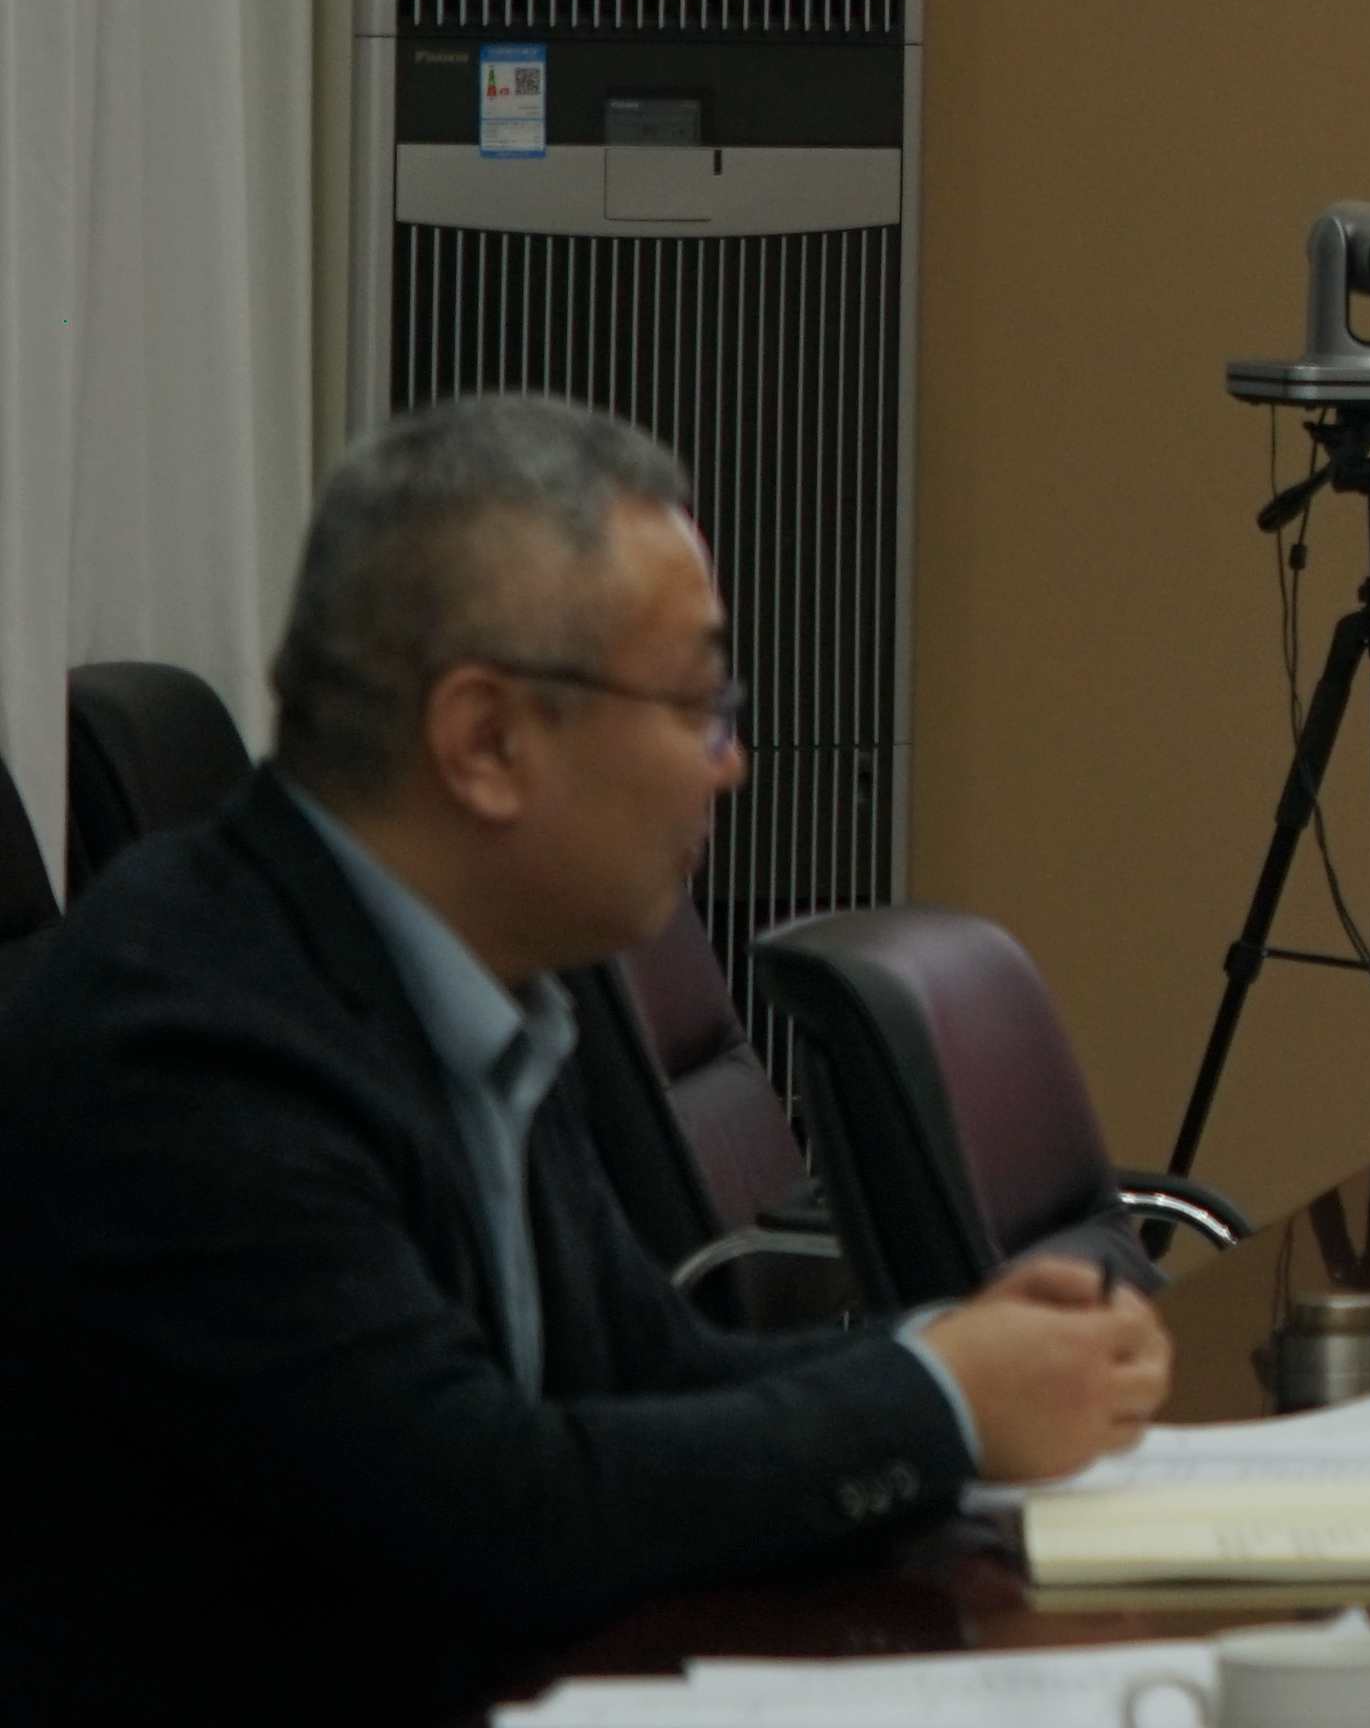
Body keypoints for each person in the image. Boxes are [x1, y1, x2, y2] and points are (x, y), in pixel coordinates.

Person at [0, 395, 1170, 1723]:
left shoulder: (470, 970)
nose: (730, 764)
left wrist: (958, 1351)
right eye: (697, 703)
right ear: (487, 743)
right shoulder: (191, 1037)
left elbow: (643, 1375)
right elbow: (491, 1512)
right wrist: (940, 1401)